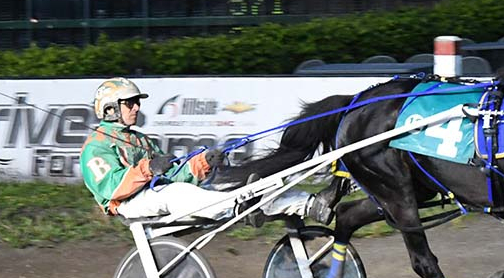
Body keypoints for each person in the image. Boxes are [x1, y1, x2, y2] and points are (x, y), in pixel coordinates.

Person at [80, 77, 332, 224]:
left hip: (159, 190)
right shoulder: (96, 146)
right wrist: (148, 168)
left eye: (137, 102)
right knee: (176, 192)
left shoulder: (142, 140)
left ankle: (308, 204)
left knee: (236, 182)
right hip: (129, 204)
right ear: (111, 108)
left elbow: (174, 174)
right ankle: (237, 208)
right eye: (130, 103)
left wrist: (202, 163)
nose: (136, 107)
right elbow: (110, 187)